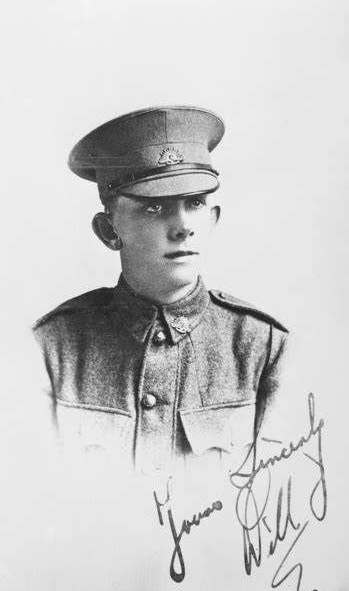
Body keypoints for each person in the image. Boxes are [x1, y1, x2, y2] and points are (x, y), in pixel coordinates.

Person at [33, 105, 288, 475]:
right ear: (109, 231)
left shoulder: (262, 347)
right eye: (155, 207)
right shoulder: (51, 348)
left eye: (196, 203)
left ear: (213, 221)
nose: (183, 226)